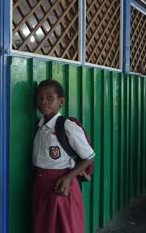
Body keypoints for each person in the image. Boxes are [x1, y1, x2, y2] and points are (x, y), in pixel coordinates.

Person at [32, 79, 95, 233]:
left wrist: (68, 177)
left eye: (49, 98)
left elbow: (89, 156)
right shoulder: (40, 127)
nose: (44, 102)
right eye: (40, 98)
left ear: (61, 101)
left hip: (61, 187)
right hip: (41, 186)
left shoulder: (67, 126)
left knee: (65, 227)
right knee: (45, 227)